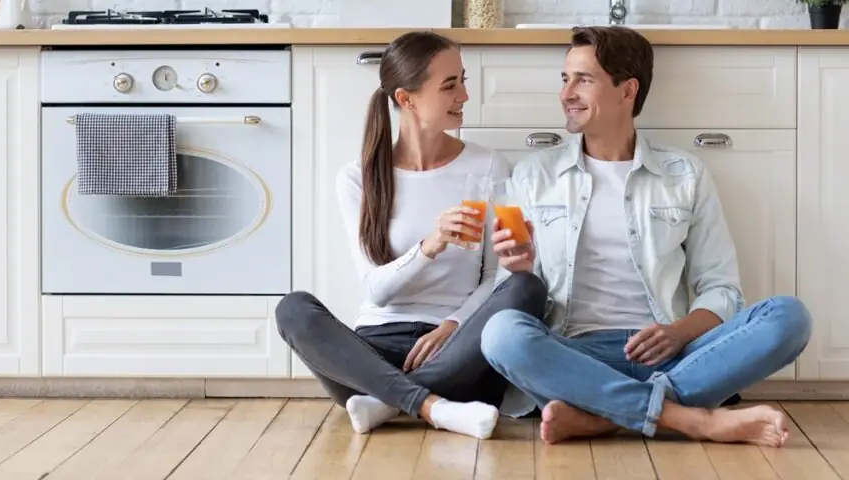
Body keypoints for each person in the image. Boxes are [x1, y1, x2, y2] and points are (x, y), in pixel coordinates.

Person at [479, 26, 813, 447]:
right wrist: (521, 271)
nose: (567, 94)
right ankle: (694, 421)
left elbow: (722, 288)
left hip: (673, 354)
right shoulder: (533, 176)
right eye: (564, 79)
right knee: (500, 333)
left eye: (583, 79)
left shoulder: (684, 175)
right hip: (575, 354)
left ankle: (604, 416)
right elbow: (508, 294)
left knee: (789, 318)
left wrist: (678, 332)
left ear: (627, 90)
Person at [275, 31, 548, 440]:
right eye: (450, 85)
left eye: (464, 81)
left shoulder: (488, 166)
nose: (464, 97)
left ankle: (386, 403)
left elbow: (495, 278)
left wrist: (455, 323)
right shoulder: (358, 178)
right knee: (293, 309)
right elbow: (378, 291)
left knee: (527, 286)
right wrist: (429, 246)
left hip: (457, 349)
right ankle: (431, 405)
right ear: (407, 99)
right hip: (371, 355)